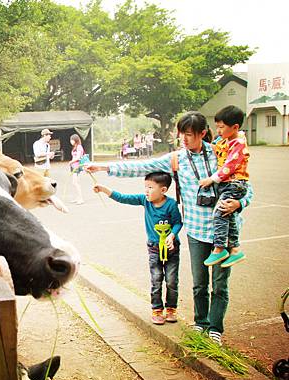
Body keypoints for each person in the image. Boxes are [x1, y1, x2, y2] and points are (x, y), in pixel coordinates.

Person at [85, 111, 253, 345]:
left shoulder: (221, 153)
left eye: (188, 135)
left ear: (202, 133)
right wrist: (102, 168)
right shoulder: (178, 158)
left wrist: (239, 203)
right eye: (181, 135)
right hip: (195, 230)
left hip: (222, 231)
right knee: (199, 283)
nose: (183, 139)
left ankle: (215, 328)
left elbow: (246, 187)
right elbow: (141, 166)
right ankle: (201, 322)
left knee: (220, 284)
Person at [93, 172, 182, 325]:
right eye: (145, 187)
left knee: (172, 281)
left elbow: (178, 223)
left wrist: (172, 235)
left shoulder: (171, 204)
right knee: (156, 279)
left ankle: (171, 308)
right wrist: (104, 189)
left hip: (171, 249)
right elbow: (123, 197)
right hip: (154, 248)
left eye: (150, 187)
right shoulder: (144, 201)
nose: (146, 191)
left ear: (163, 190)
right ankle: (157, 309)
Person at [199, 106, 250, 268]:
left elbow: (229, 166)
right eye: (217, 126)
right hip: (229, 184)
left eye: (221, 127)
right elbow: (214, 146)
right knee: (229, 215)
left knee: (220, 213)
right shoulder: (225, 140)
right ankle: (235, 250)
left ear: (235, 127)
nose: (218, 130)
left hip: (234, 184)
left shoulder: (239, 144)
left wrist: (211, 180)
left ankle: (219, 248)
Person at [68, 134, 85, 204]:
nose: (70, 141)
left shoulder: (79, 147)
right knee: (74, 183)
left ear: (75, 140)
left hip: (77, 167)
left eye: (71, 140)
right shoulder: (75, 147)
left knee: (76, 183)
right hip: (73, 166)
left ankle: (81, 199)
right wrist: (71, 163)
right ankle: (77, 198)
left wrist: (71, 162)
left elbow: (78, 157)